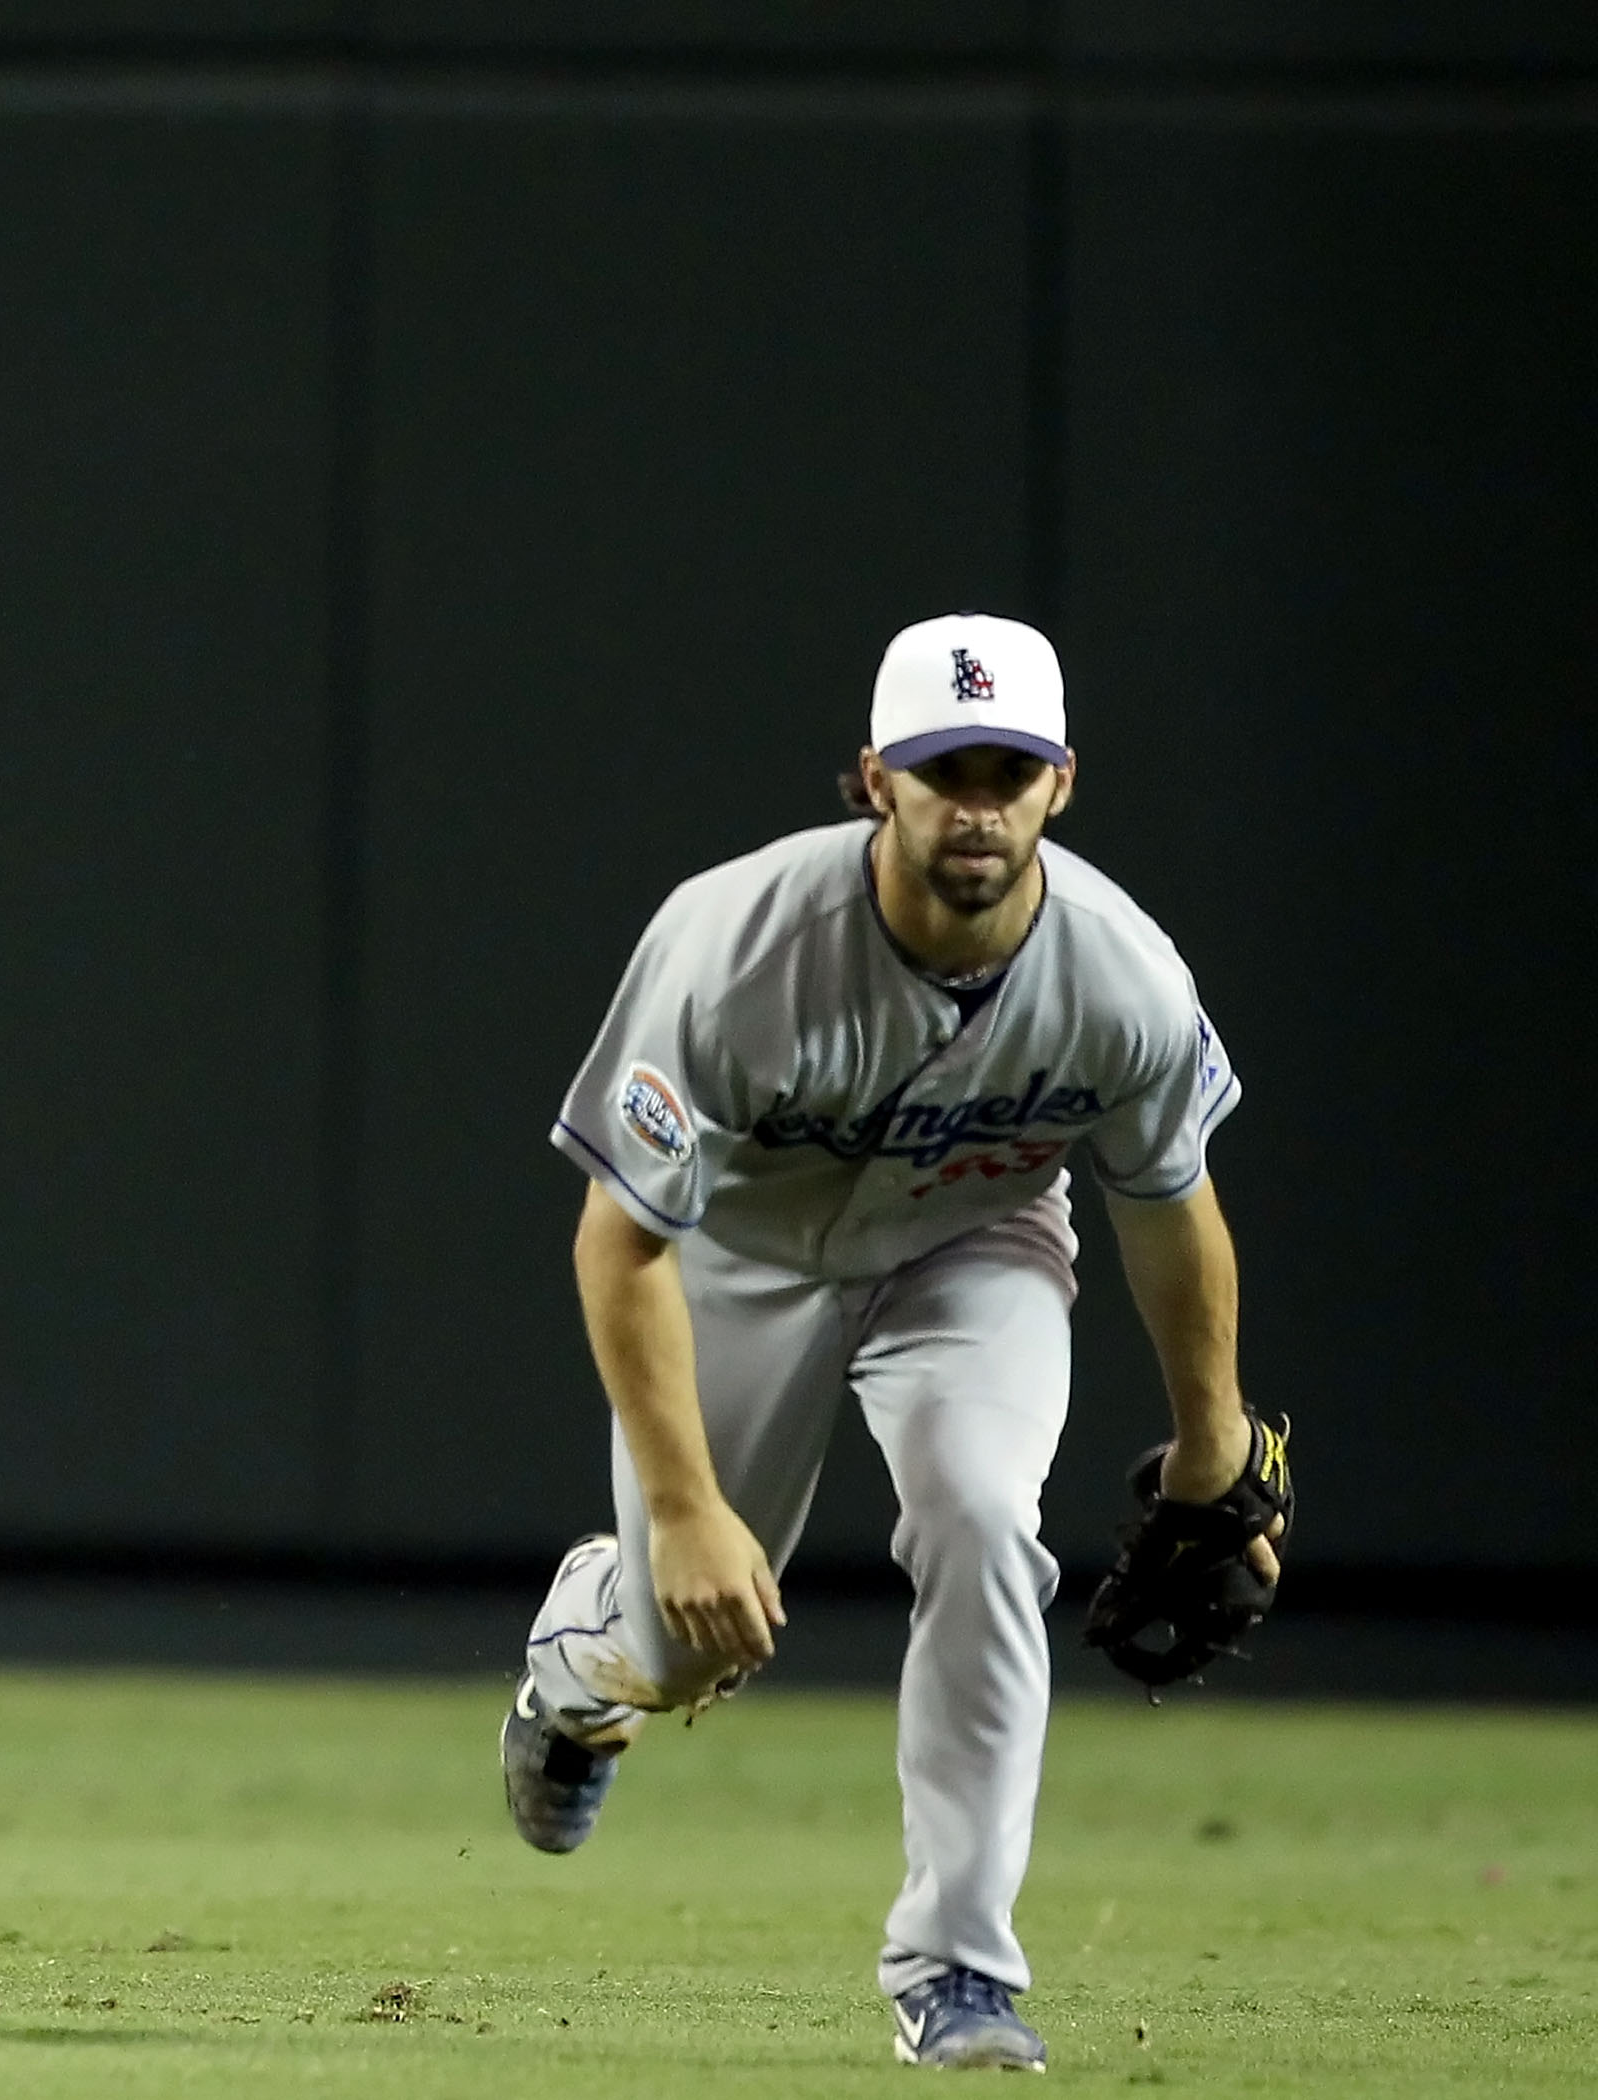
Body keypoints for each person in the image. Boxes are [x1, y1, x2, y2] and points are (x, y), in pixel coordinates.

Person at [497, 613, 1274, 2070]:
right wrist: (680, 1511)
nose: (975, 802)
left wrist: (1214, 1441)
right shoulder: (734, 948)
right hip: (747, 1257)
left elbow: (1170, 1205)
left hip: (970, 1247)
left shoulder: (1123, 976)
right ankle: (579, 1666)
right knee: (680, 1645)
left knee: (985, 1523)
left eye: (1007, 768)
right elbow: (621, 1241)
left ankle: (960, 1971)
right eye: (943, 768)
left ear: (1061, 784)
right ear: (875, 782)